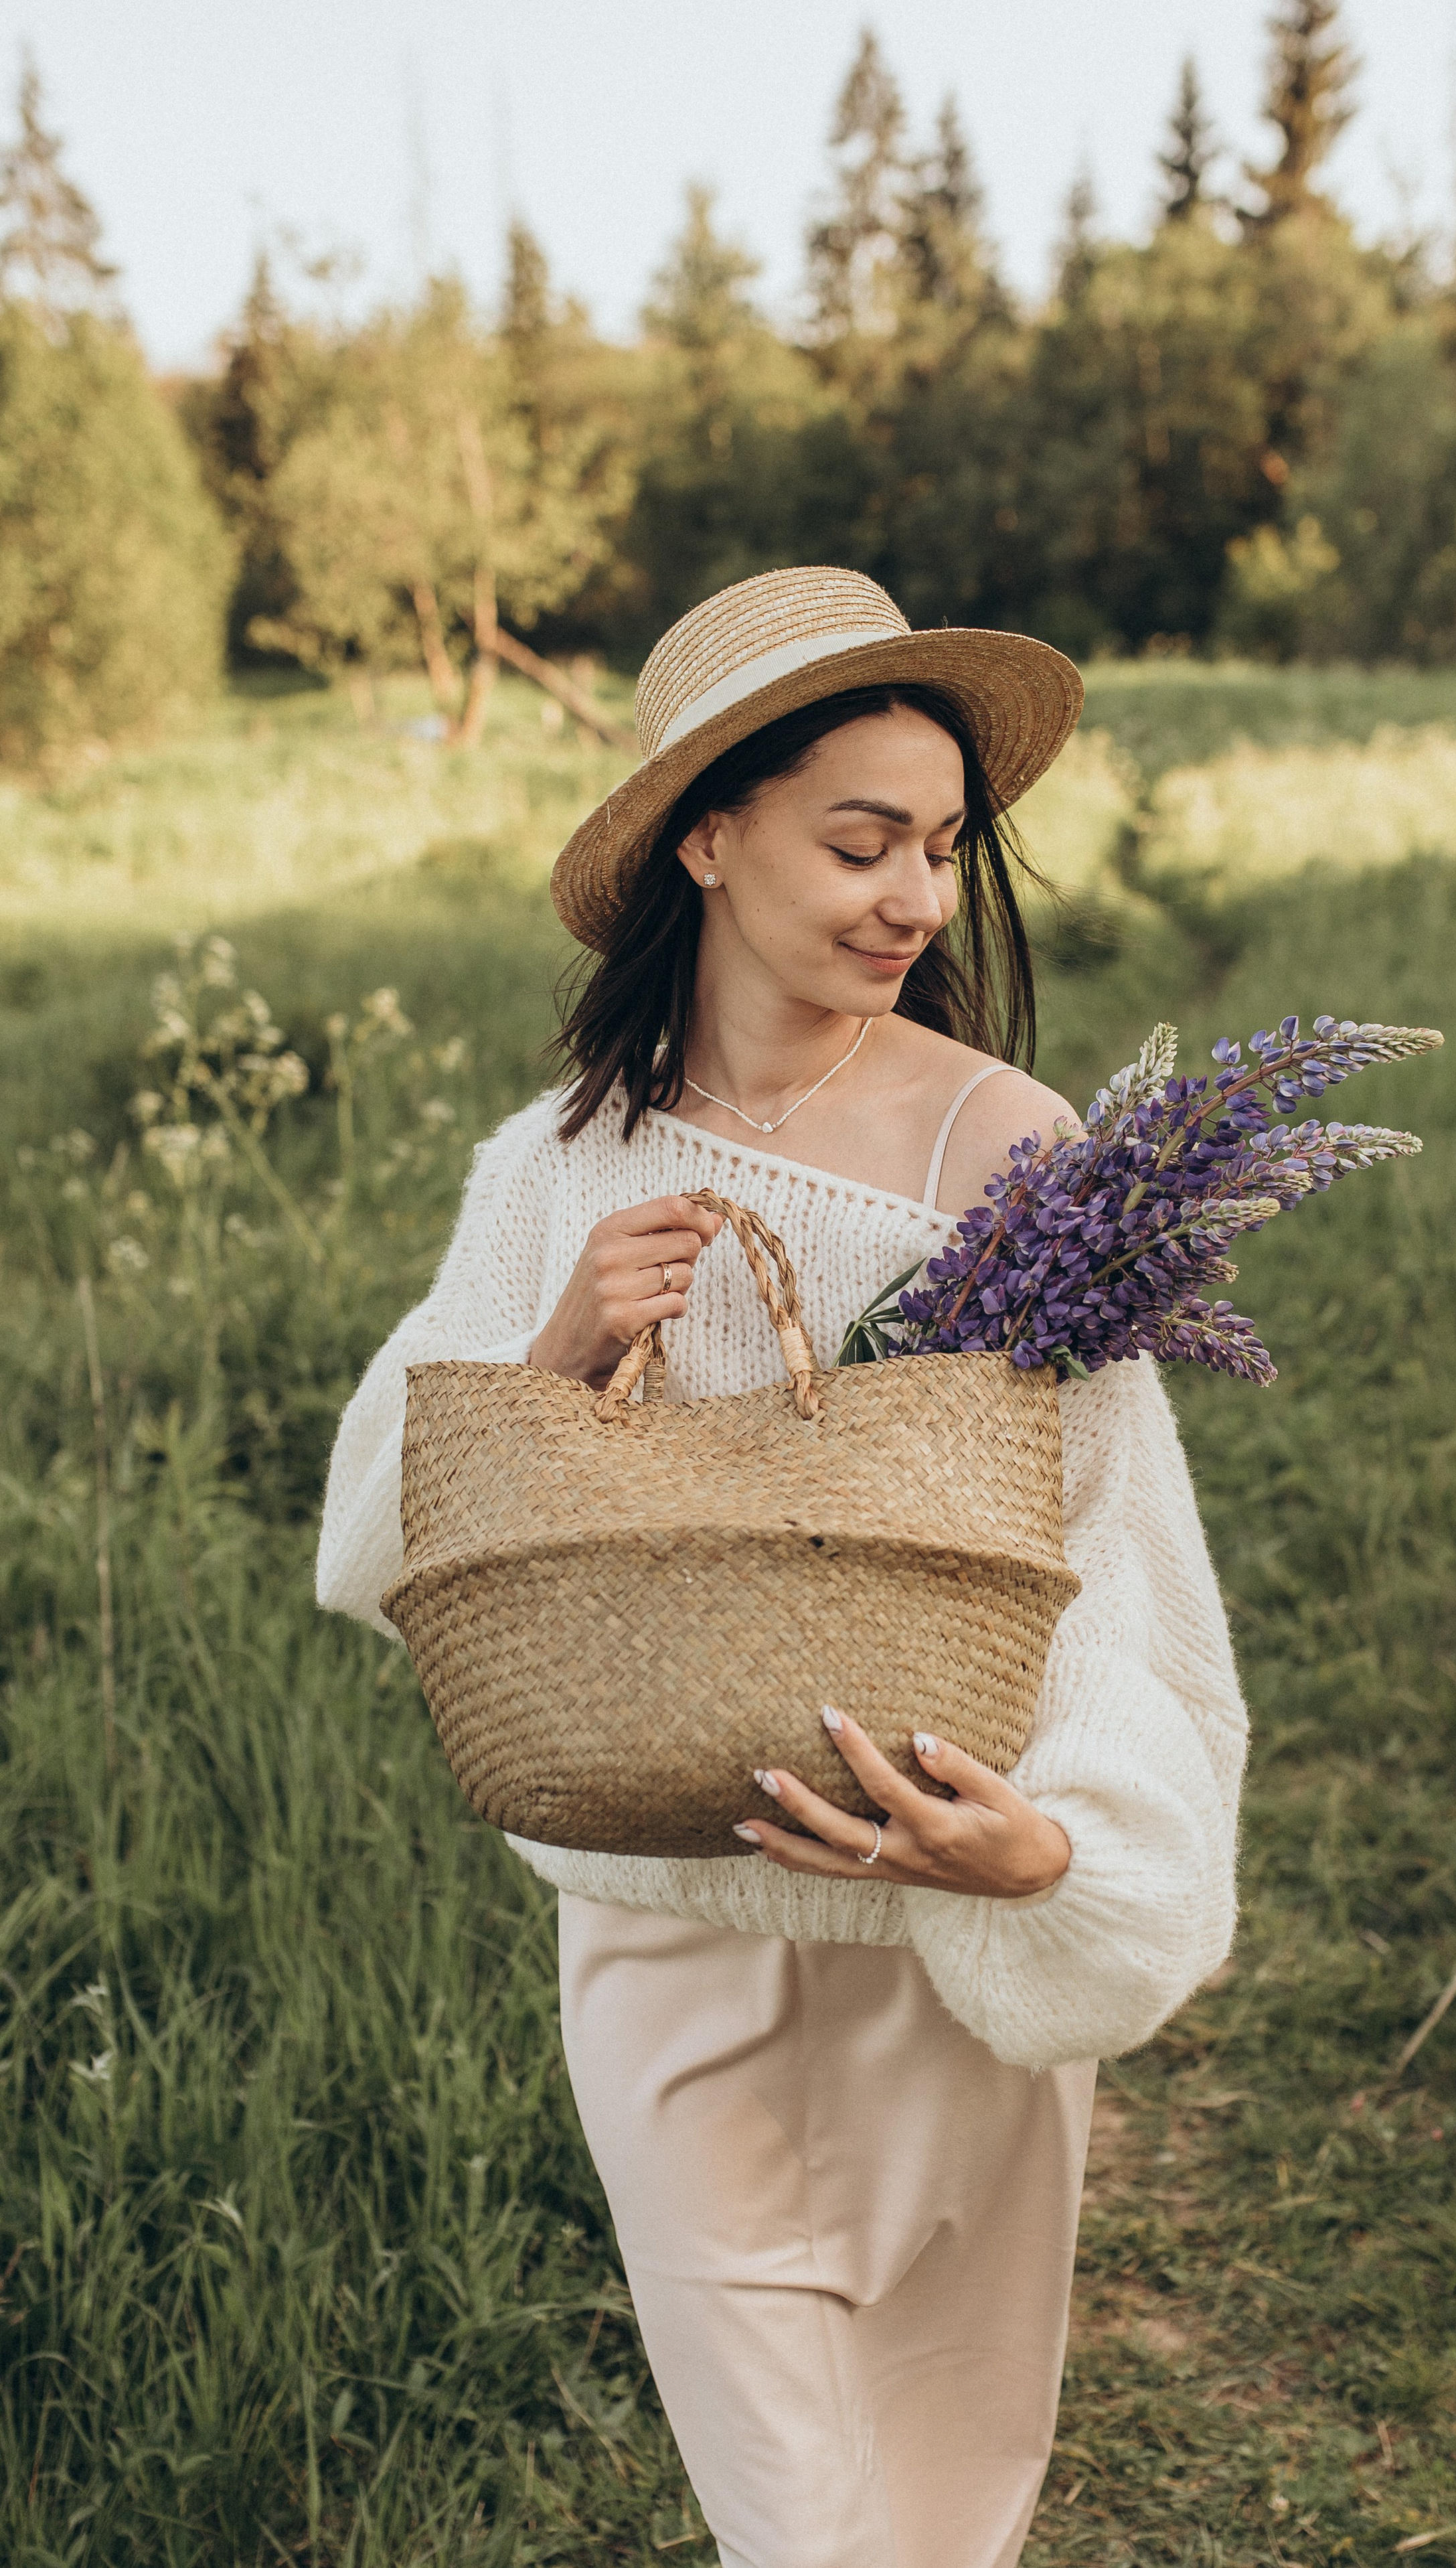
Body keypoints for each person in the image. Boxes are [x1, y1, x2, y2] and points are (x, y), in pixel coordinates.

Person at [317, 566, 1248, 2568]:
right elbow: (379, 1533)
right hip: (670, 1943)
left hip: (934, 1948)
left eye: (939, 847)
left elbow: (1111, 1557)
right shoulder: (548, 1167)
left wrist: (1061, 1853)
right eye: (859, 840)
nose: (915, 896)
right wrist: (553, 1350)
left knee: (942, 2502)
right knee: (800, 2530)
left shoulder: (1011, 1154)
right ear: (709, 834)